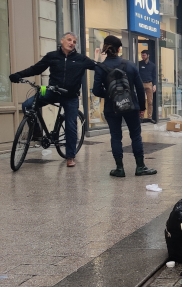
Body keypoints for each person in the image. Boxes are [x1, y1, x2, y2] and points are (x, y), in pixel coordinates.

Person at [10, 31, 96, 167]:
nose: (71, 43)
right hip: (52, 92)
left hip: (70, 97)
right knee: (27, 105)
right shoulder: (52, 56)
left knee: (70, 125)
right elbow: (36, 69)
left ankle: (70, 156)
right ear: (62, 41)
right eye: (69, 40)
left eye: (74, 42)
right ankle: (37, 131)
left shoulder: (81, 59)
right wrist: (18, 75)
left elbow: (98, 68)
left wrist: (115, 69)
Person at [91, 35, 157, 177]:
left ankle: (119, 168)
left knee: (115, 136)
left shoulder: (100, 67)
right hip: (131, 106)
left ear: (105, 48)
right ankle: (140, 167)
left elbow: (96, 90)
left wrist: (110, 95)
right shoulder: (130, 65)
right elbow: (140, 88)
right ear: (119, 49)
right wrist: (142, 107)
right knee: (135, 136)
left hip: (111, 108)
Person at [138, 50, 157, 123]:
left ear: (148, 55)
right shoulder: (139, 64)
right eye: (142, 55)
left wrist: (154, 85)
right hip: (141, 83)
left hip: (149, 83)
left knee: (150, 101)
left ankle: (149, 117)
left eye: (144, 55)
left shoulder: (152, 65)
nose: (143, 57)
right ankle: (141, 117)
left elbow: (154, 76)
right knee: (141, 101)